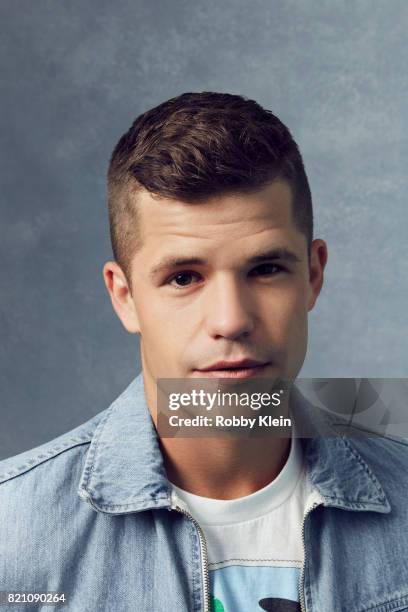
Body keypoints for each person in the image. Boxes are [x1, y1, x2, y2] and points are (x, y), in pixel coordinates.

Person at [0, 93, 407, 612]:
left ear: (313, 274)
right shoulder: (12, 536)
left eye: (265, 269)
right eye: (184, 277)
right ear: (124, 298)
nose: (231, 319)